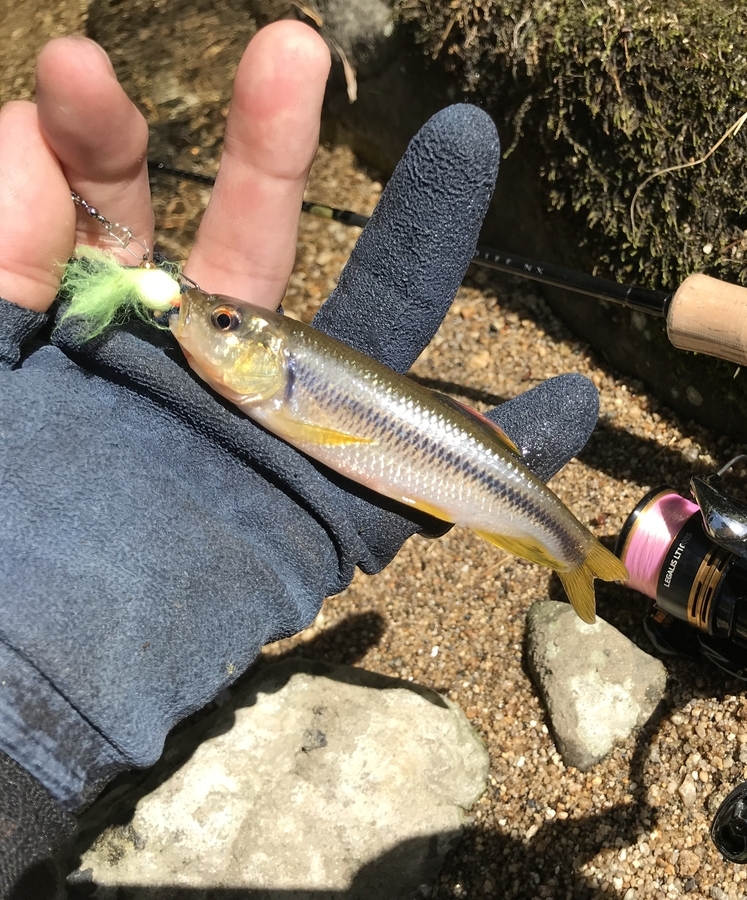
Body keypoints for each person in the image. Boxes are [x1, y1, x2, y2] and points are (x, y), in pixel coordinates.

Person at [0, 22, 600, 897]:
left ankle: (581, 556)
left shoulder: (285, 374)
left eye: (226, 323)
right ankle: (581, 556)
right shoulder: (249, 369)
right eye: (222, 319)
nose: (210, 320)